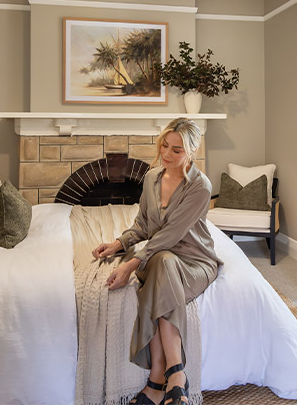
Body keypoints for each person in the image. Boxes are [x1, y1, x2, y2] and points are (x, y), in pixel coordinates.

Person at [92, 117, 221, 405]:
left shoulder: (200, 186)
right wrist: (118, 244)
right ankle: (176, 375)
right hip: (162, 259)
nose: (167, 154)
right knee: (162, 261)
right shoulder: (151, 177)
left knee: (162, 261)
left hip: (194, 261)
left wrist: (129, 265)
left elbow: (170, 235)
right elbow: (143, 226)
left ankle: (160, 376)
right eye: (164, 146)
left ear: (192, 150)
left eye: (177, 150)